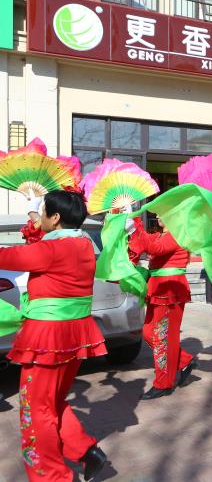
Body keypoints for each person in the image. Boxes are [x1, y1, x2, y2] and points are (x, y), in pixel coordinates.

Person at [0, 190, 108, 481]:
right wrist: (34, 205)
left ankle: (51, 475)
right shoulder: (82, 244)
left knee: (35, 409)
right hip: (74, 334)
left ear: (56, 217)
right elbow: (41, 237)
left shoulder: (51, 250)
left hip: (47, 336)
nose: (41, 216)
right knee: (51, 401)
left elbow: (7, 255)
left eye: (45, 211)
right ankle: (85, 452)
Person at [128, 215, 197, 399]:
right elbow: (143, 245)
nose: (157, 215)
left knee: (161, 337)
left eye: (163, 211)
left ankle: (164, 383)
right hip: (159, 289)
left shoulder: (176, 235)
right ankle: (184, 361)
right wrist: (130, 225)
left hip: (169, 290)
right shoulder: (161, 235)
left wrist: (136, 229)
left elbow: (155, 248)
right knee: (150, 333)